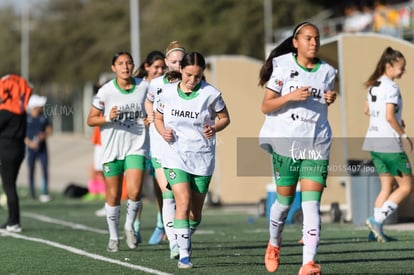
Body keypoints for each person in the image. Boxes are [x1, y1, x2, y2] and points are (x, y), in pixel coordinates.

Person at [258, 22, 337, 274]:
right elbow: (266, 106)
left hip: (317, 143)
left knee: (311, 204)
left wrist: (330, 98)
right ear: (296, 42)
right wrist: (289, 97)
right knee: (285, 201)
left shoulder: (328, 71)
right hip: (286, 143)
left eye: (316, 39)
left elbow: (325, 99)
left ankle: (308, 263)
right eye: (308, 38)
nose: (313, 43)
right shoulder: (282, 66)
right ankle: (273, 244)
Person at [154, 51, 230, 269]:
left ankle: (183, 235)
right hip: (175, 155)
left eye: (197, 76)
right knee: (182, 200)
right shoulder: (167, 93)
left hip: (202, 157)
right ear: (181, 71)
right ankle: (184, 255)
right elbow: (158, 117)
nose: (192, 80)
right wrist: (163, 132)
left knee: (195, 212)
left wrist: (214, 127)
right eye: (188, 75)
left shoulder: (211, 94)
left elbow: (225, 118)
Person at [86, 51, 149, 252]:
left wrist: (150, 118)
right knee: (113, 197)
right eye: (121, 63)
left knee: (135, 191)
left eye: (129, 63)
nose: (125, 67)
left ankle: (129, 226)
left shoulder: (144, 86)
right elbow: (90, 119)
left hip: (136, 147)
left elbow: (154, 108)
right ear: (113, 68)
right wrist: (108, 118)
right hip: (112, 150)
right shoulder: (106, 91)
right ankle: (113, 236)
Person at [362, 47, 413, 243]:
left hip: (374, 142)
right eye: (402, 67)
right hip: (389, 143)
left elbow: (367, 110)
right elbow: (389, 116)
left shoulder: (373, 85)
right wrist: (404, 134)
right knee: (407, 187)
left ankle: (374, 232)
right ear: (389, 66)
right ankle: (377, 221)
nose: (404, 71)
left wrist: (396, 120)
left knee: (386, 188)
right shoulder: (391, 87)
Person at [145, 41, 186, 257]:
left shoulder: (193, 84)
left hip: (185, 149)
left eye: (181, 61)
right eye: (174, 61)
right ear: (167, 62)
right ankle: (174, 243)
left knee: (185, 200)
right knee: (168, 193)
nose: (178, 65)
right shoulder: (157, 84)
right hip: (160, 146)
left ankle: (182, 236)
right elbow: (148, 102)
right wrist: (152, 117)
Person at [132, 50, 166, 244]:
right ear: (147, 67)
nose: (160, 71)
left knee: (159, 187)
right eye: (156, 67)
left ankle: (162, 223)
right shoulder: (139, 86)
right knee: (135, 189)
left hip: (157, 142)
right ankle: (135, 226)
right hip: (136, 142)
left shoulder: (165, 85)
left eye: (162, 67)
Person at [0, 74, 32, 232]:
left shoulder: (6, 111)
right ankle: (12, 220)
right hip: (18, 151)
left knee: (9, 186)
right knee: (10, 185)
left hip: (6, 151)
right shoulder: (21, 110)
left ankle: (14, 221)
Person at [25, 94, 53, 203]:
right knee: (31, 170)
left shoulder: (44, 117)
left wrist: (44, 135)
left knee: (45, 169)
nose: (42, 107)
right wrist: (29, 143)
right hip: (31, 149)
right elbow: (22, 133)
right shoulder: (26, 118)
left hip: (42, 149)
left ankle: (44, 191)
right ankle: (32, 192)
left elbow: (49, 130)